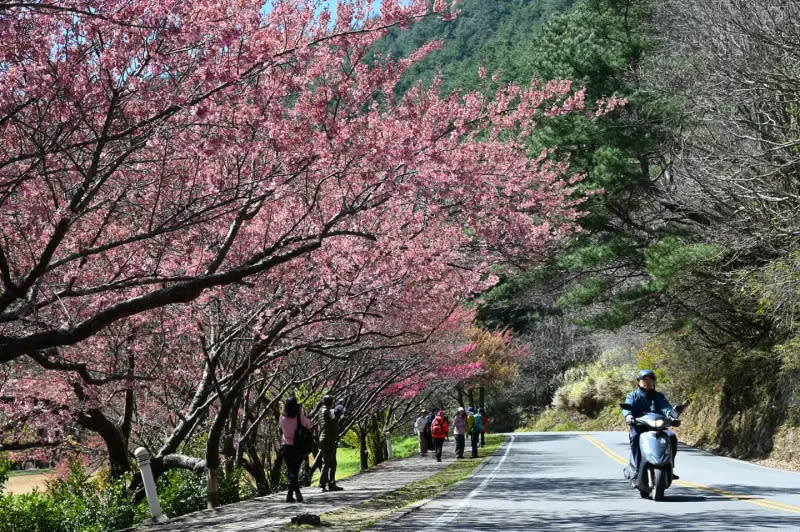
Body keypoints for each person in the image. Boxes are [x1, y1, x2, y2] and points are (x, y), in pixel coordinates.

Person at [621, 369, 680, 479]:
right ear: (639, 382)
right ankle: (637, 468)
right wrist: (629, 415)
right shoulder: (632, 395)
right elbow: (627, 407)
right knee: (634, 437)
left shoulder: (658, 396)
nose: (647, 382)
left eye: (650, 379)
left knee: (672, 437)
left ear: (653, 382)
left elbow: (666, 407)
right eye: (644, 379)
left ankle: (669, 467)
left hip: (658, 426)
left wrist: (672, 416)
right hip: (639, 426)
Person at [279, 395, 313, 503]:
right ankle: (297, 493)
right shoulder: (298, 416)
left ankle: (290, 495)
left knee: (291, 471)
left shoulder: (282, 416)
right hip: (298, 447)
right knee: (295, 471)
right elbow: (308, 424)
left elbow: (281, 428)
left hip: (286, 446)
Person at [318, 394, 344, 492]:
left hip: (327, 439)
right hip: (327, 439)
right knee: (328, 462)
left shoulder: (323, 410)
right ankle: (323, 484)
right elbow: (335, 415)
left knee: (332, 463)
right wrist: (340, 406)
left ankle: (331, 484)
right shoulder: (325, 411)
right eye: (332, 401)